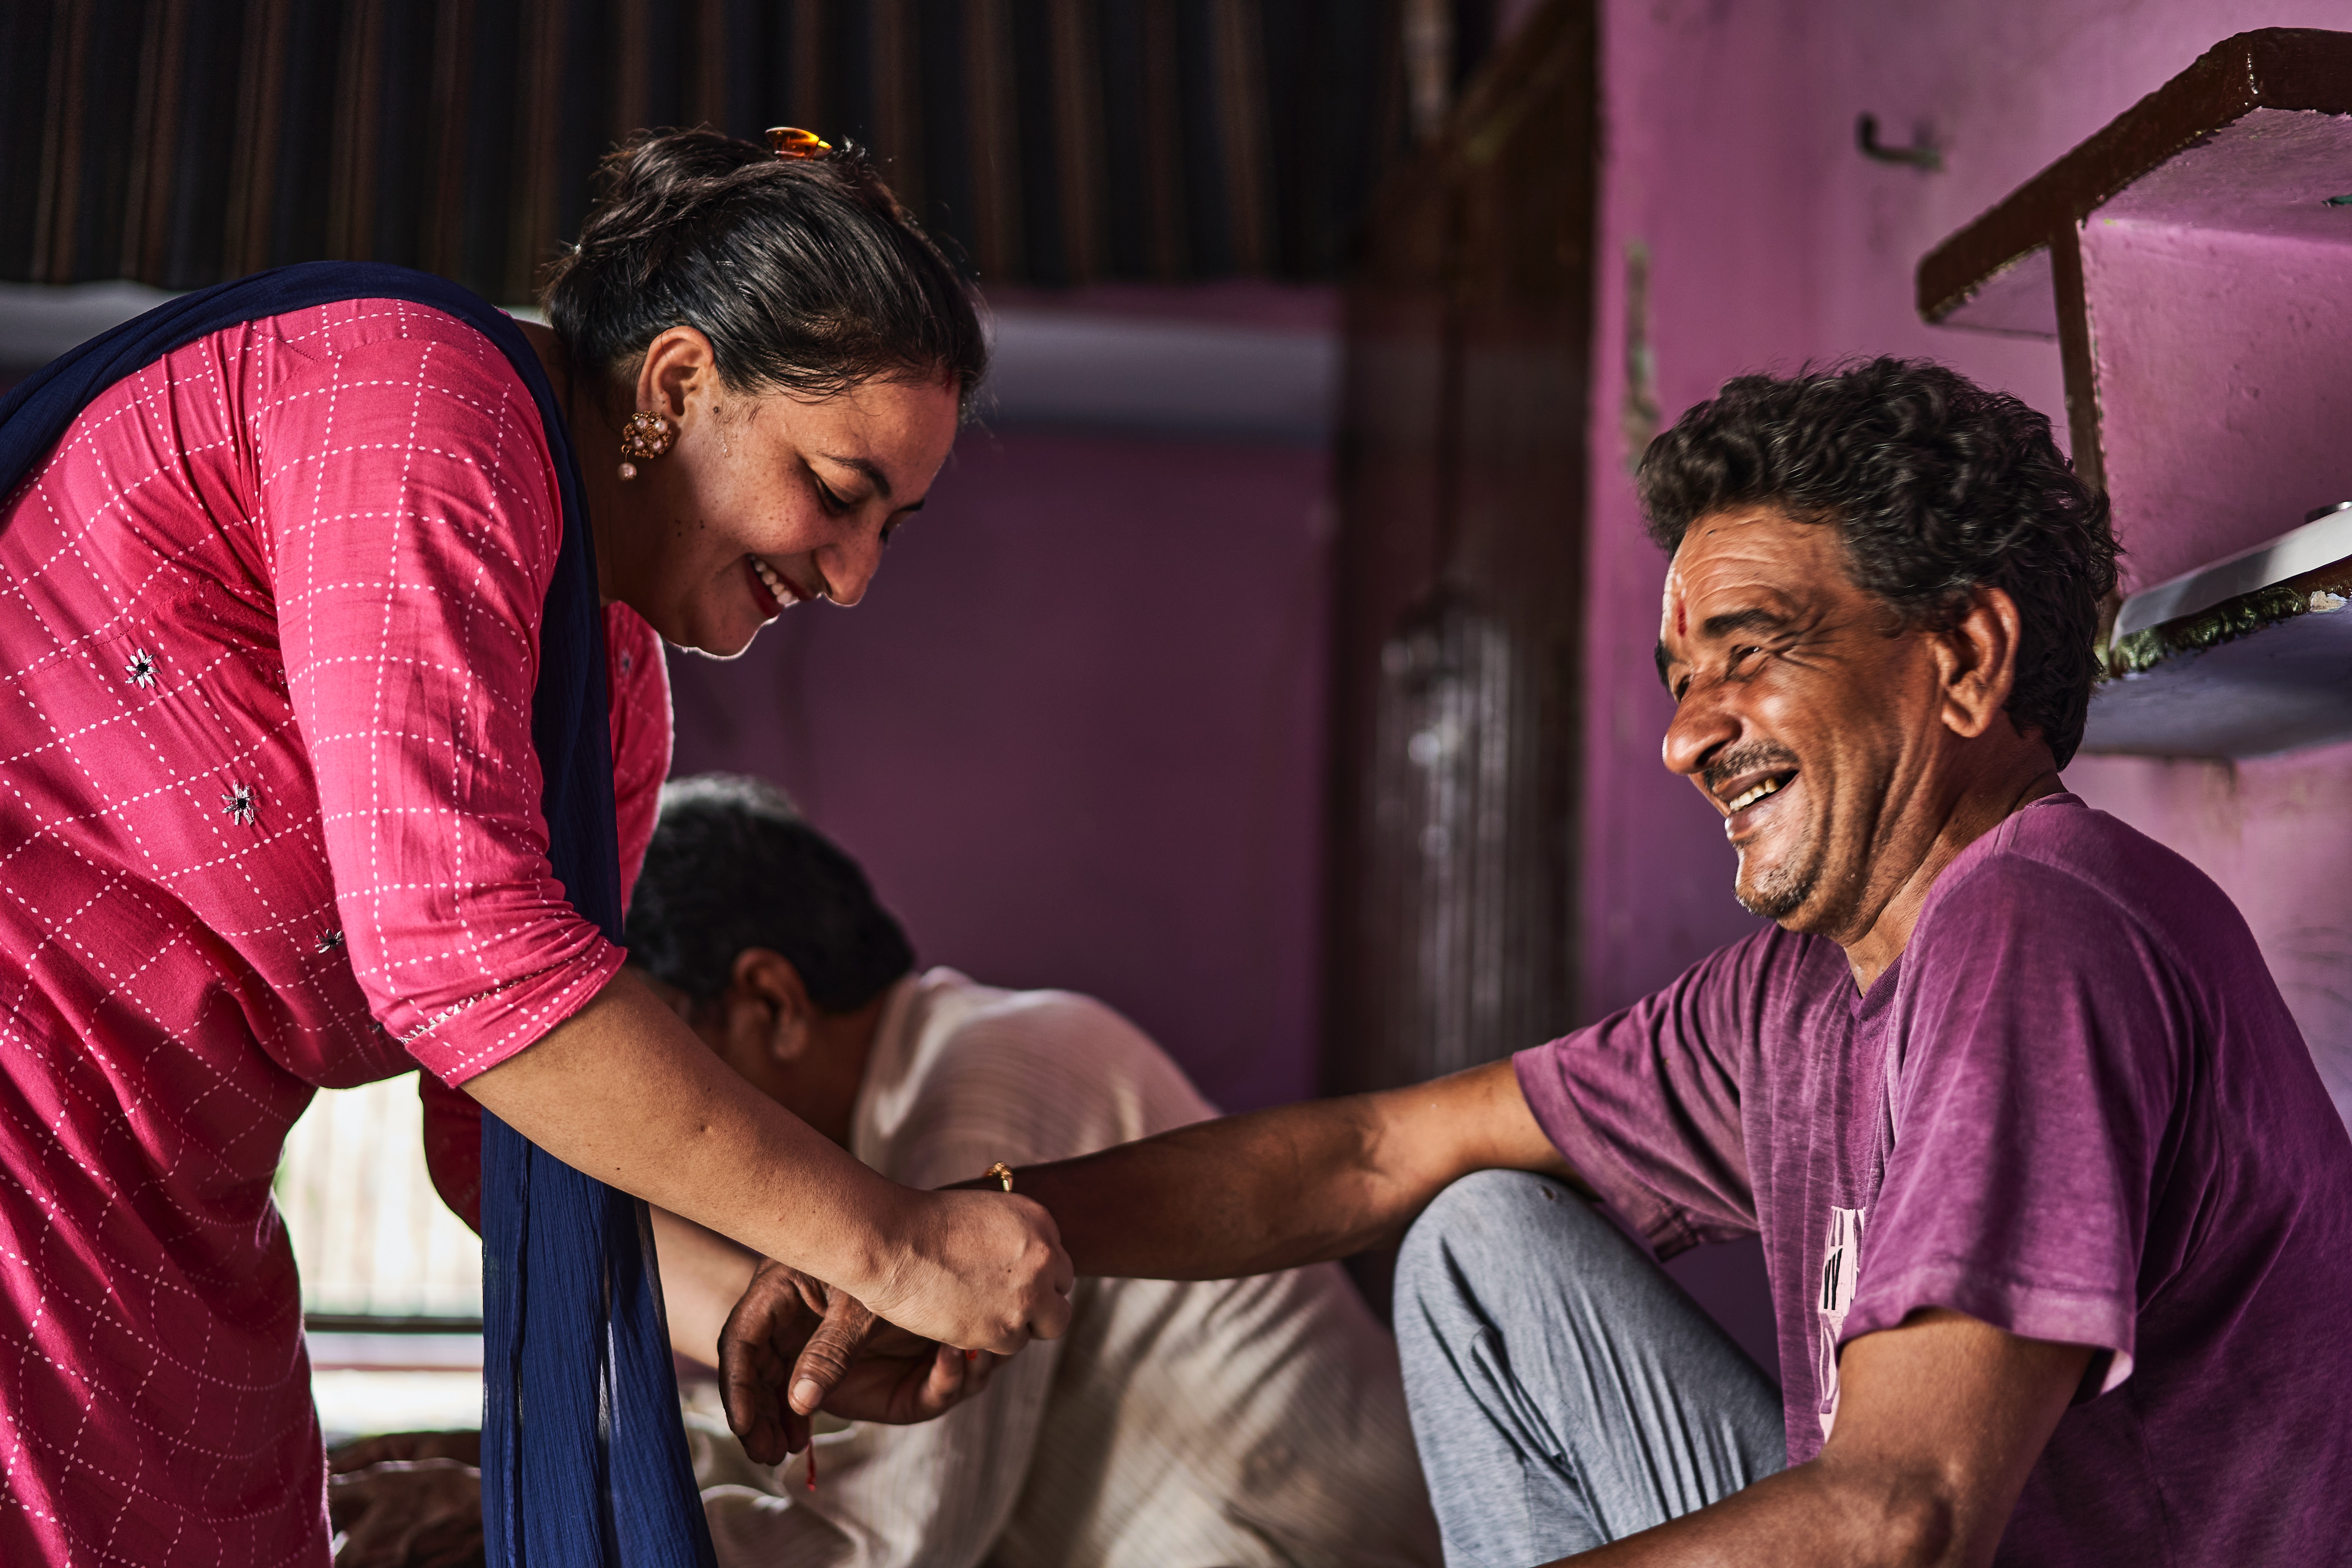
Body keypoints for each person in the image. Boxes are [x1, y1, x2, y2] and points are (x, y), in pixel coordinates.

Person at [746, 359, 2352, 1566]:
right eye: (1676, 673)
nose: (1684, 732)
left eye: (1754, 649)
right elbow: (1383, 1148)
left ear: (1967, 660)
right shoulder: (1801, 990)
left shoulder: (2039, 928)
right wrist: (975, 1230)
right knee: (1480, 1243)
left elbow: (1900, 1514)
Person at [0, 128, 1072, 1566]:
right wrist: (881, 1241)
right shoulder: (414, 400)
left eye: (895, 527)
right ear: (681, 383)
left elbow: (502, 1130)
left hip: (169, 1248)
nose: (855, 576)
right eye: (836, 490)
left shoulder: (609, 700)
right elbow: (460, 955)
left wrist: (772, 1290)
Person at [624, 773, 1441, 1568]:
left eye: (658, 1060)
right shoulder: (935, 1077)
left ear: (771, 1001)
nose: (644, 1115)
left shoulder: (982, 1087)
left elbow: (899, 1538)